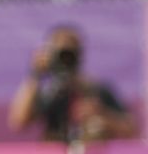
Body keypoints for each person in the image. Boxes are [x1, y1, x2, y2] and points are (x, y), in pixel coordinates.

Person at [8, 24, 136, 145]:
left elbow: (132, 130)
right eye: (60, 53)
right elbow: (18, 122)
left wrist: (102, 115)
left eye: (70, 53)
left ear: (79, 54)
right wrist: (35, 74)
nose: (66, 59)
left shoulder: (96, 89)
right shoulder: (49, 92)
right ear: (51, 54)